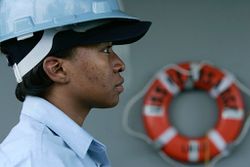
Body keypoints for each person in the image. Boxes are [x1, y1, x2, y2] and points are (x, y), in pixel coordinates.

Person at [0, 0, 151, 166]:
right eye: (106, 50)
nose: (120, 65)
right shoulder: (39, 159)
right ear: (57, 69)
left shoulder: (51, 152)